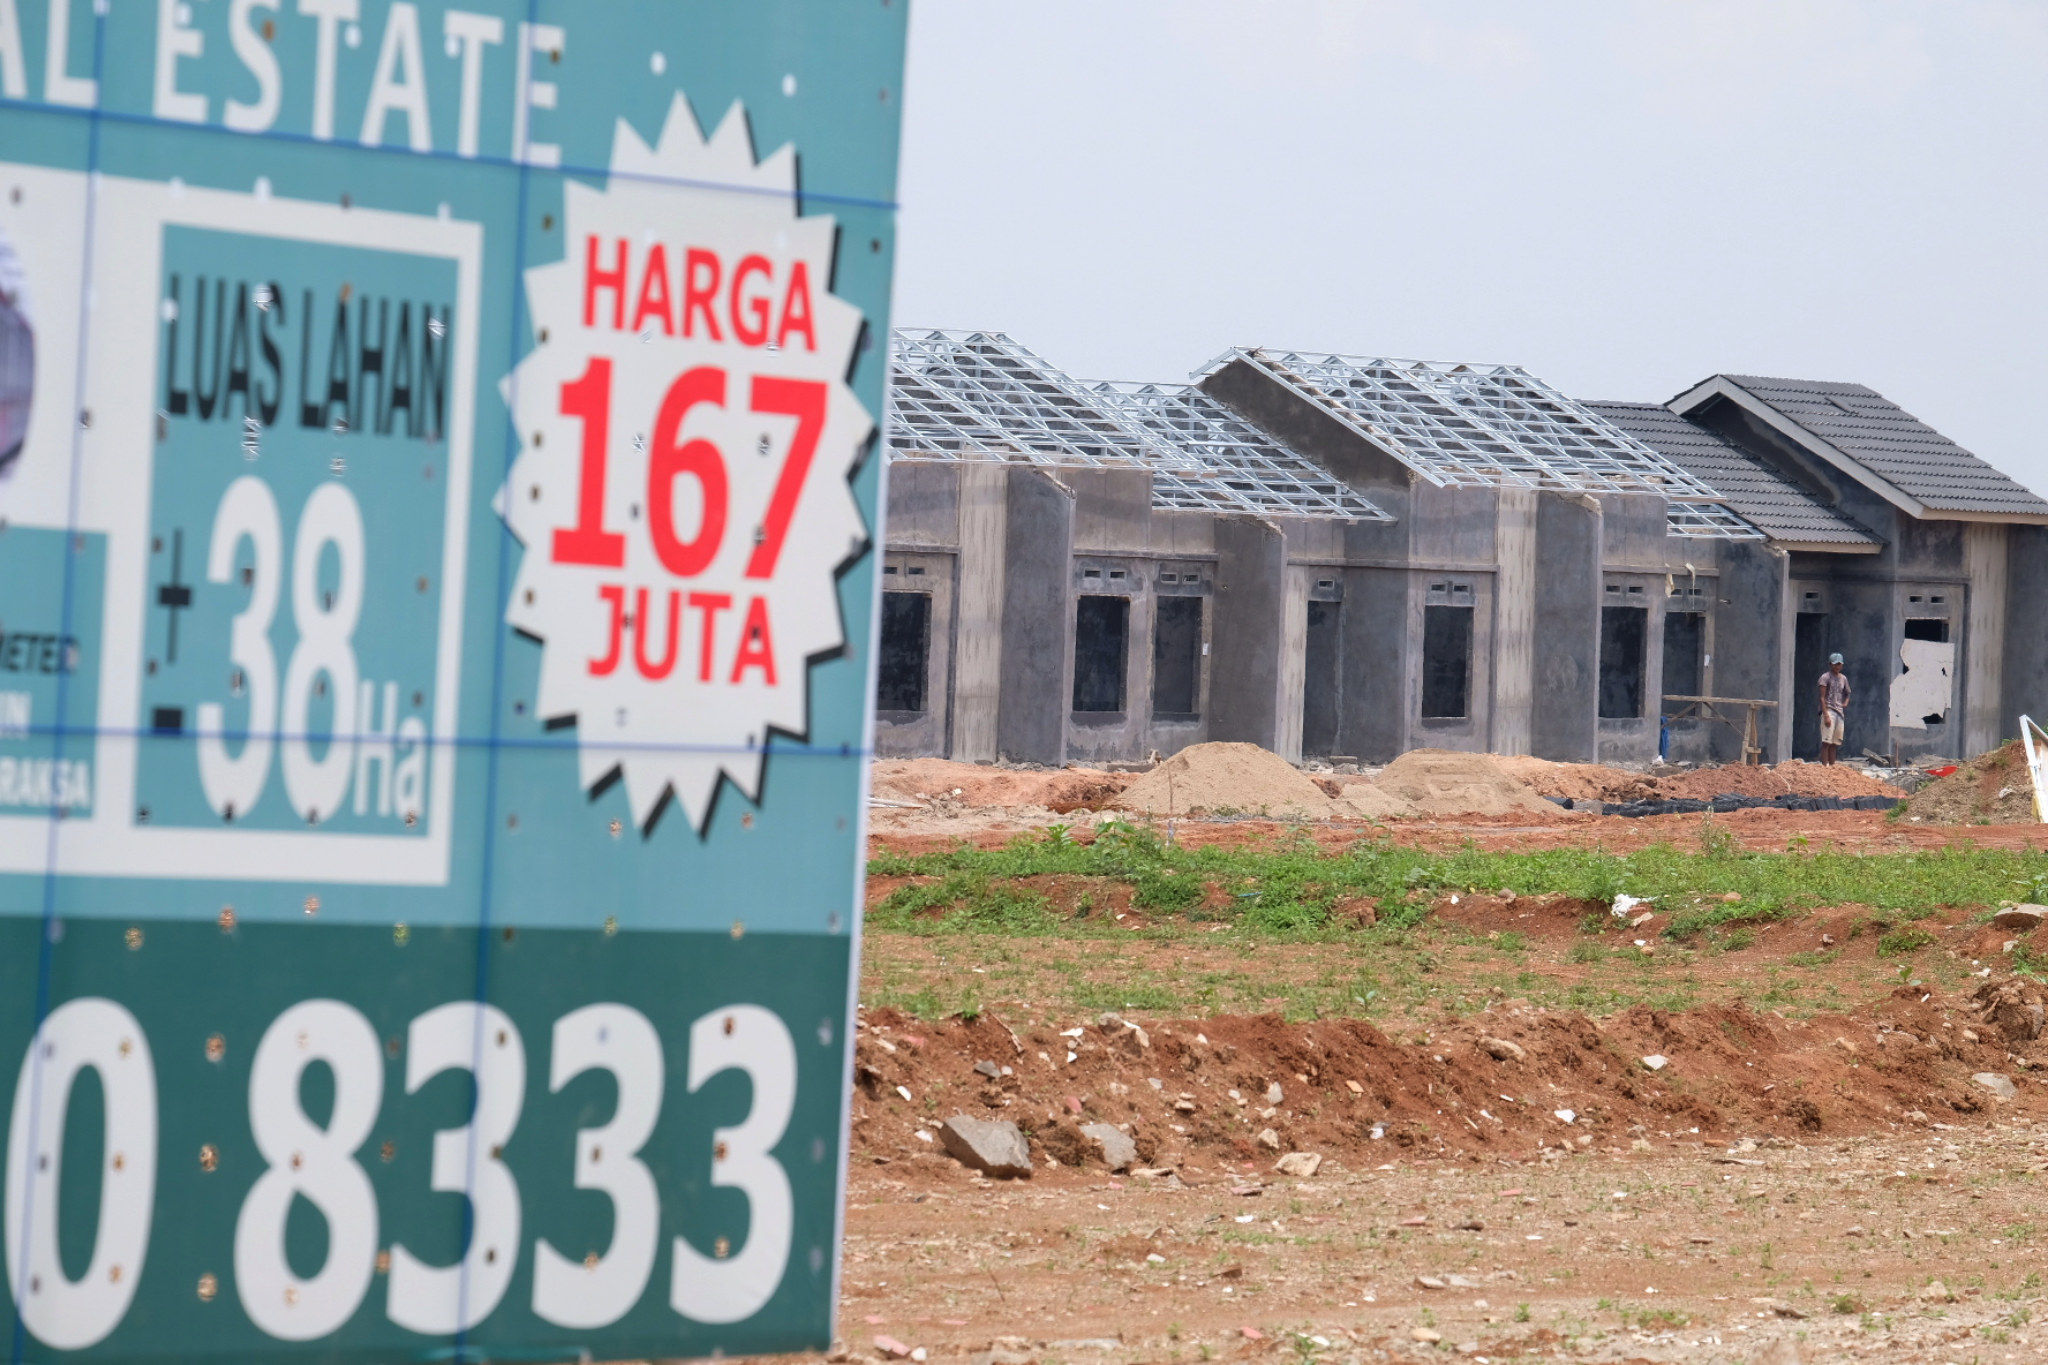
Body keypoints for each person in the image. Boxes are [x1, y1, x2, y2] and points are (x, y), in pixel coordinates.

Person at [1817, 652, 1850, 765]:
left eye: (1839, 664)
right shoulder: (1825, 677)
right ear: (1830, 664)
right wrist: (1826, 715)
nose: (1837, 666)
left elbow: (1847, 693)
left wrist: (1845, 702)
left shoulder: (1843, 678)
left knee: (1835, 743)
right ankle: (1824, 768)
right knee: (1826, 741)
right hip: (1829, 710)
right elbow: (1822, 698)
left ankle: (1832, 767)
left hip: (1839, 713)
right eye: (1835, 664)